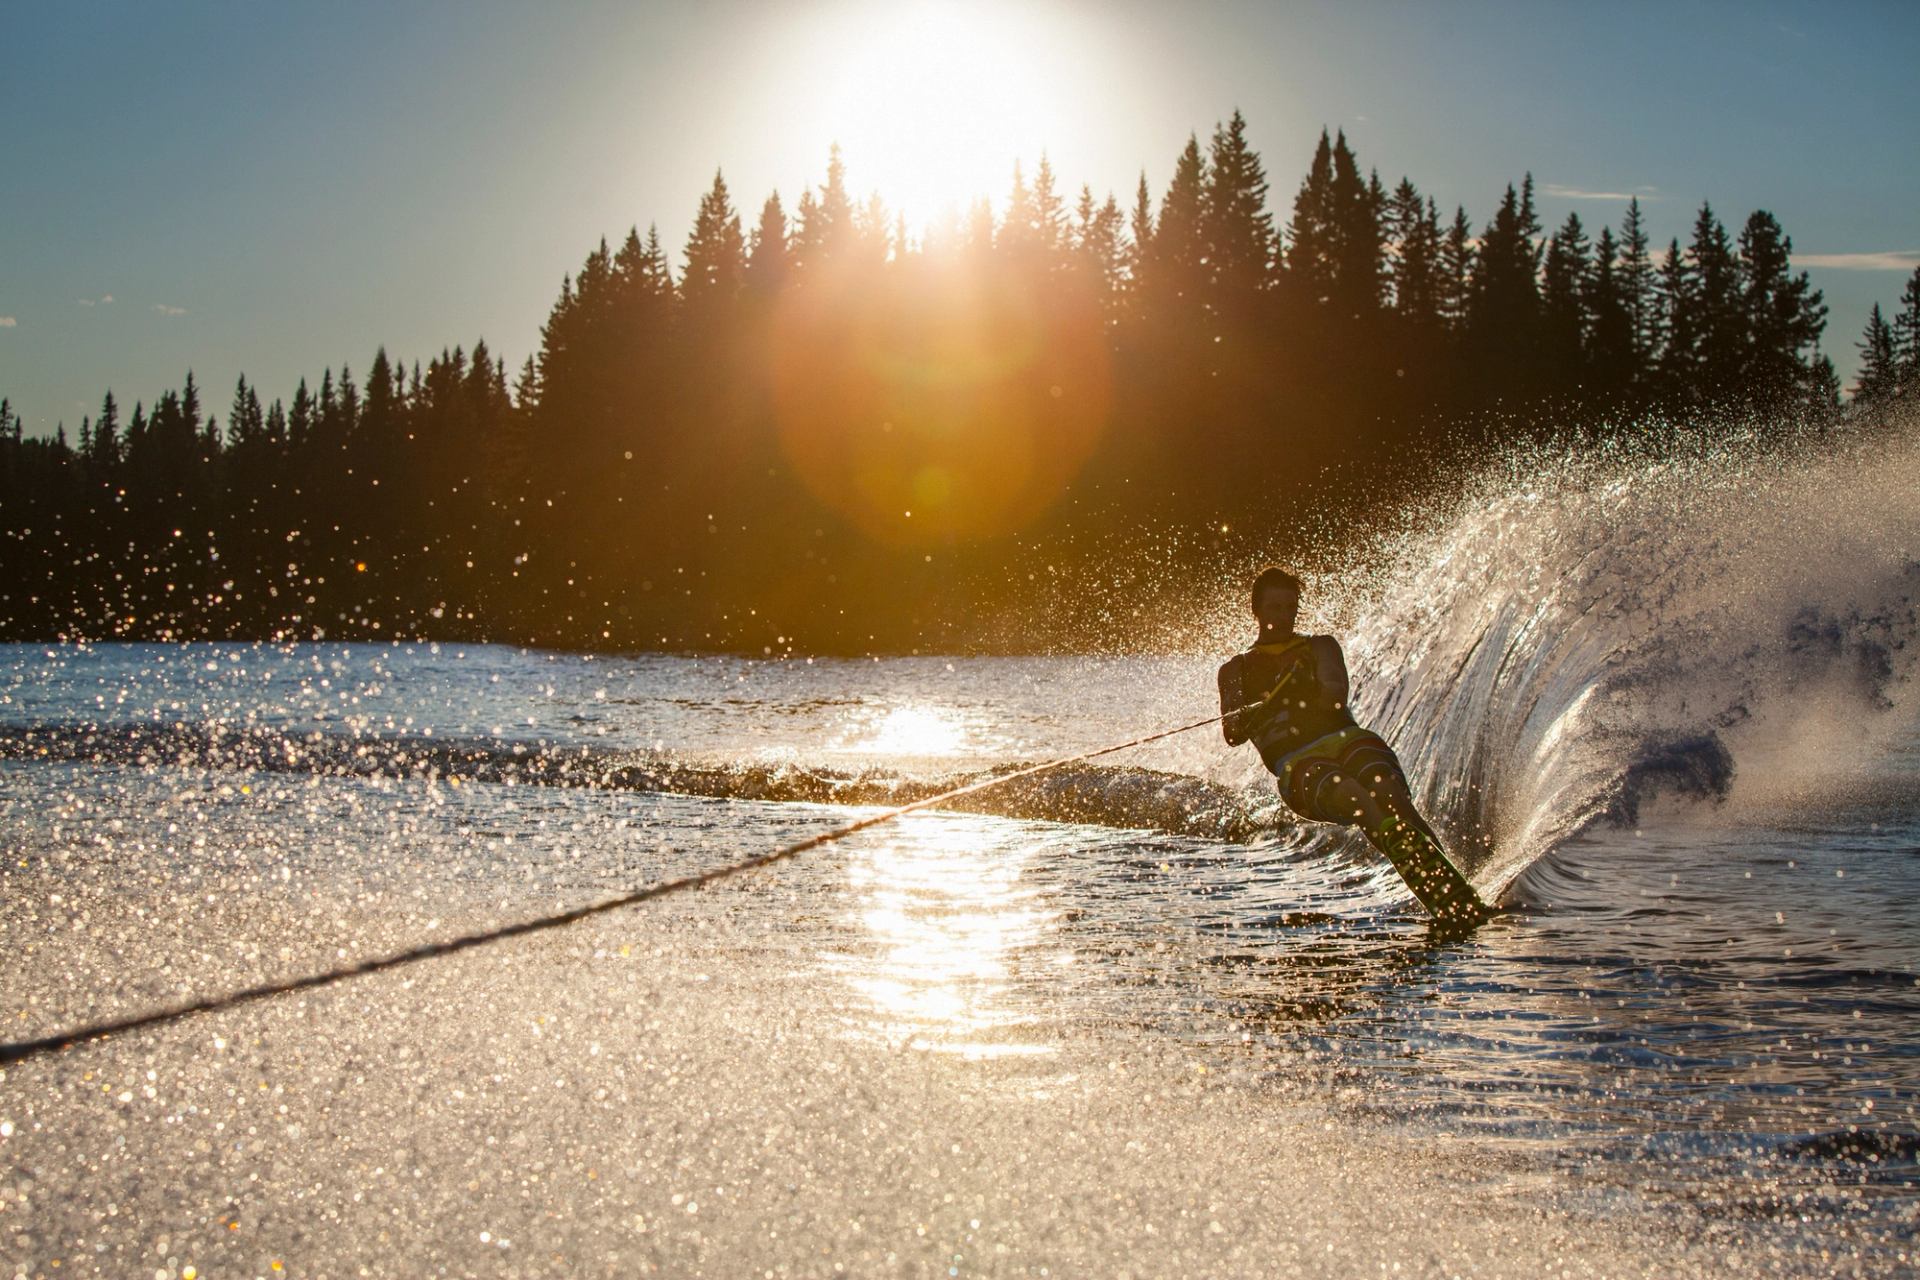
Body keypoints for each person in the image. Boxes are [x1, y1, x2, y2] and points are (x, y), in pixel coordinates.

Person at [1217, 566, 1490, 926]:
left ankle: (1447, 877)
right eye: (1274, 608)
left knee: (1389, 792)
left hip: (1348, 740)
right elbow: (1233, 734)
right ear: (1256, 610)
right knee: (1352, 796)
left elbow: (1335, 697)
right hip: (1296, 763)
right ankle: (1408, 854)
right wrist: (1257, 707)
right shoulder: (1235, 671)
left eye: (1289, 607)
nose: (1283, 617)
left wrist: (1303, 685)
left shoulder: (1320, 647)